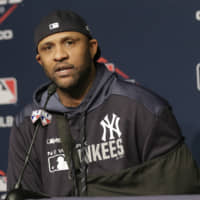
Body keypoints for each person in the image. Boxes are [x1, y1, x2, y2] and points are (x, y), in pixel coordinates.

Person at [7, 10, 200, 197]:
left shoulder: (142, 108)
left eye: (69, 42)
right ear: (40, 60)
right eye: (48, 48)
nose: (59, 55)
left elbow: (181, 190)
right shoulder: (27, 124)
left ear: (92, 48)